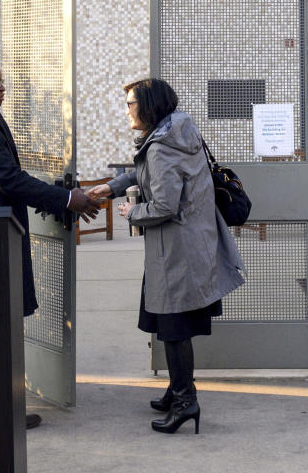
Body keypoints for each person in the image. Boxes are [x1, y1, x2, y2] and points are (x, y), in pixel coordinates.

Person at [0, 56, 100, 430]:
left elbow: (13, 177)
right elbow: (11, 180)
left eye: (2, 80)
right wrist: (68, 200)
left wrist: (62, 197)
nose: (2, 87)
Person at [86, 78, 244, 435]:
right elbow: (146, 172)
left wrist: (130, 212)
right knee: (171, 323)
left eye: (131, 103)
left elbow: (164, 205)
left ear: (149, 105)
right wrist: (111, 188)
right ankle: (177, 389)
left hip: (177, 253)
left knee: (174, 329)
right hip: (187, 247)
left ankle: (186, 401)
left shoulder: (161, 147)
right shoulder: (176, 134)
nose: (126, 109)